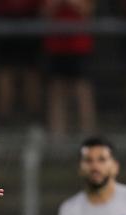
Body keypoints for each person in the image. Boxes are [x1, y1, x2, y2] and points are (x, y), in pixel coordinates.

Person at [42, 0, 96, 137]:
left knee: (81, 88)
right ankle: (57, 132)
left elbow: (87, 10)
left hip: (79, 45)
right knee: (57, 88)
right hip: (56, 44)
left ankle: (87, 132)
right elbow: (44, 11)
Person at [0, 0, 43, 126]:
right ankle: (3, 119)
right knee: (4, 74)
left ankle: (33, 119)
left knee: (30, 75)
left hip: (30, 21)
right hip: (2, 22)